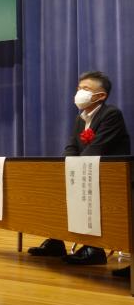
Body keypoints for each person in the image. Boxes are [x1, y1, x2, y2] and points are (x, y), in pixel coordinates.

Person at [28, 71, 131, 276]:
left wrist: (75, 169)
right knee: (53, 186)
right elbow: (71, 147)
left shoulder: (111, 114)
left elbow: (97, 148)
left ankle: (94, 248)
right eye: (78, 89)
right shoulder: (80, 118)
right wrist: (65, 166)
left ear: (100, 96)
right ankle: (55, 241)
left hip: (111, 177)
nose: (79, 93)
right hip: (86, 172)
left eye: (85, 89)